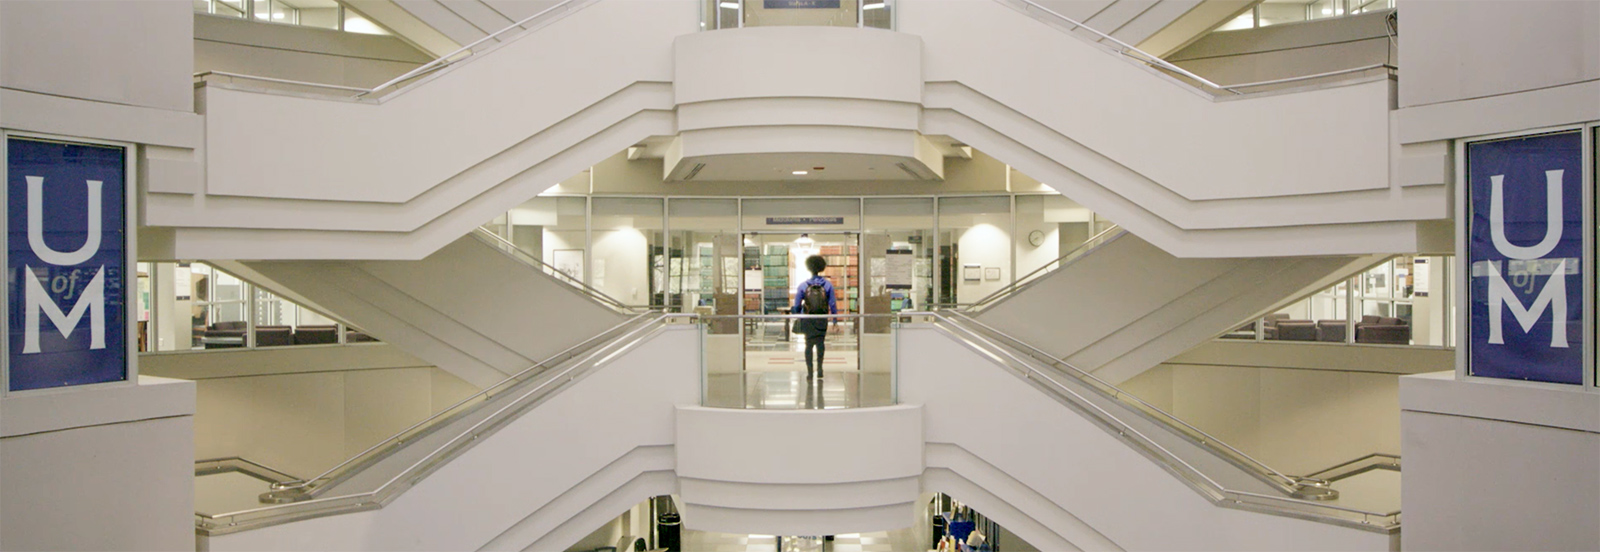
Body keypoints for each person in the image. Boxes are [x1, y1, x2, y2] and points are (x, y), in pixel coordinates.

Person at [792, 254, 837, 380]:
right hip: (822, 319)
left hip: (807, 319)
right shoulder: (828, 285)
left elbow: (796, 305)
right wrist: (835, 320)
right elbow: (832, 303)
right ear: (821, 267)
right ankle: (820, 368)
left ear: (809, 268)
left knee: (809, 345)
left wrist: (797, 313)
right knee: (820, 343)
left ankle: (810, 372)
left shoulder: (803, 285)